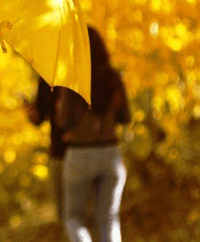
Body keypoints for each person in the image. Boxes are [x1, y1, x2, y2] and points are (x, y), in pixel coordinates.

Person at [55, 26, 131, 242]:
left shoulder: (72, 80)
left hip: (79, 154)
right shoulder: (114, 78)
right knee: (108, 218)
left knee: (74, 218)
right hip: (110, 153)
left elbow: (63, 123)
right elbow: (125, 117)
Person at [26, 77, 66, 221]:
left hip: (71, 154)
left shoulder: (92, 71)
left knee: (71, 217)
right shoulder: (48, 78)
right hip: (59, 153)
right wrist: (31, 112)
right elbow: (39, 117)